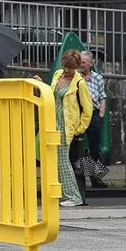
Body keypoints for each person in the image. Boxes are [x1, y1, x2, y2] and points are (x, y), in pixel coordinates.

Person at [39, 50, 92, 207]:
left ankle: (73, 196)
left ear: (76, 67)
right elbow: (51, 94)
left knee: (62, 161)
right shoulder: (57, 75)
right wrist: (41, 84)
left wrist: (79, 129)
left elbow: (88, 108)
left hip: (65, 125)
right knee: (53, 159)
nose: (66, 70)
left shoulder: (79, 83)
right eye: (65, 66)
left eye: (70, 68)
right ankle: (61, 193)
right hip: (52, 121)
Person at [78, 51, 108, 188]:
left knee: (95, 147)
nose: (81, 65)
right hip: (79, 113)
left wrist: (101, 114)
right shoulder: (75, 77)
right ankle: (80, 178)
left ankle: (96, 178)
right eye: (80, 62)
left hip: (94, 113)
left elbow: (102, 96)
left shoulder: (97, 78)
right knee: (79, 147)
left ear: (91, 64)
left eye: (84, 62)